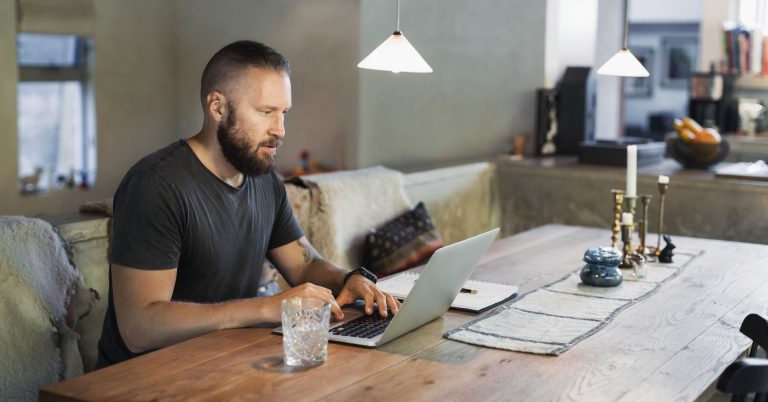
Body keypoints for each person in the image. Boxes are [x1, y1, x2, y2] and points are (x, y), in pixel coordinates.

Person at [96, 40, 400, 368]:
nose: (279, 130)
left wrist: (349, 279)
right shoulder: (156, 185)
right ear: (217, 107)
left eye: (283, 113)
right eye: (265, 112)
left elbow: (304, 264)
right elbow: (139, 328)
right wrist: (267, 307)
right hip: (144, 379)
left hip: (223, 362)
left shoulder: (264, 181)